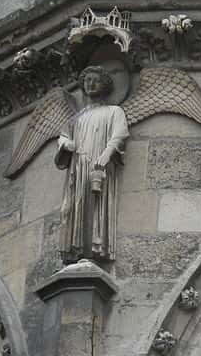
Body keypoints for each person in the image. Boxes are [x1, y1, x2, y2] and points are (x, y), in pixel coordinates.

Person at [56, 66, 129, 264]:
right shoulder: (76, 119)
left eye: (95, 80)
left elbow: (120, 134)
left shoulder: (114, 111)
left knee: (94, 203)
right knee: (72, 206)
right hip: (78, 166)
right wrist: (65, 144)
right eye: (87, 80)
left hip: (98, 163)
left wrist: (106, 155)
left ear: (105, 84)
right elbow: (62, 136)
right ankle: (75, 247)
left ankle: (94, 246)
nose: (91, 83)